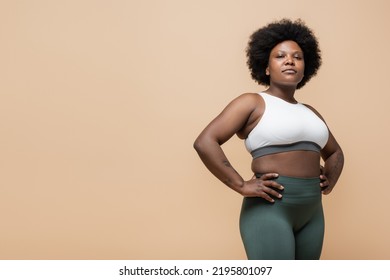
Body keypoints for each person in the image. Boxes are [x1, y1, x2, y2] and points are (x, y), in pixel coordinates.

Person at [193, 18, 344, 260]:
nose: (289, 61)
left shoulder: (311, 112)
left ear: (306, 67)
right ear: (266, 67)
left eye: (297, 57)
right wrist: (241, 185)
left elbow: (335, 152)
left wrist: (331, 178)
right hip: (271, 208)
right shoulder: (252, 102)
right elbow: (205, 141)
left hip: (312, 211)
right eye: (280, 56)